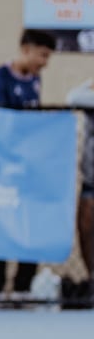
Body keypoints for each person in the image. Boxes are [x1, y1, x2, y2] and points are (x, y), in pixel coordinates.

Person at [0, 29, 57, 300]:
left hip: (28, 166)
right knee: (0, 222)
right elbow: (0, 120)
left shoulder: (36, 80)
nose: (44, 62)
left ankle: (23, 285)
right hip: (3, 166)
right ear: (26, 49)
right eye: (42, 55)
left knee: (30, 222)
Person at [67, 76, 94, 300]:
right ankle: (92, 276)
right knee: (85, 227)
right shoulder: (88, 97)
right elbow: (73, 97)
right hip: (91, 178)